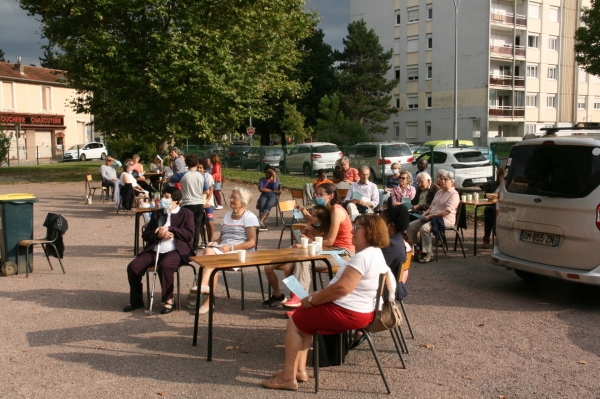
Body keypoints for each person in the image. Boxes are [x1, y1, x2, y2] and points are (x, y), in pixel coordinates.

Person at [261, 214, 395, 391]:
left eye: (358, 228)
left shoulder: (362, 257)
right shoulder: (375, 253)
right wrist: (315, 299)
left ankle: (287, 377)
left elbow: (341, 289)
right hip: (362, 312)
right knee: (305, 318)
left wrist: (312, 300)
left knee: (295, 320)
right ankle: (299, 371)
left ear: (370, 232)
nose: (352, 230)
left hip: (350, 313)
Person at [124, 187, 194, 314]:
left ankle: (169, 300)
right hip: (155, 249)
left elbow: (189, 235)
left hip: (176, 250)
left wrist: (171, 229)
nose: (163, 199)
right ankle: (137, 301)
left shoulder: (186, 213)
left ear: (177, 200)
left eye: (167, 197)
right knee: (133, 267)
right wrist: (158, 235)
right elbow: (145, 235)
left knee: (165, 265)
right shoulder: (158, 213)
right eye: (163, 196)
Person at [289, 183, 355, 316]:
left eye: (320, 194)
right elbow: (315, 219)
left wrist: (308, 243)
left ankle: (300, 299)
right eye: (316, 193)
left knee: (304, 260)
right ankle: (295, 297)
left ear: (330, 196)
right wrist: (304, 211)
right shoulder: (327, 210)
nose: (316, 196)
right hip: (330, 250)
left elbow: (330, 241)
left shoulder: (337, 211)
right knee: (291, 261)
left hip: (343, 253)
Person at [196, 186, 260, 314]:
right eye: (231, 197)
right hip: (223, 250)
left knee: (210, 262)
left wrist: (230, 247)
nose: (230, 200)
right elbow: (222, 237)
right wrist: (215, 242)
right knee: (209, 252)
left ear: (243, 202)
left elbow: (252, 243)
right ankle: (206, 294)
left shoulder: (249, 217)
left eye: (234, 198)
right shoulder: (226, 216)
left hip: (240, 252)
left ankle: (205, 294)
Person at [262, 205, 331, 307]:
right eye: (311, 214)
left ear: (321, 219)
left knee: (287, 269)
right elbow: (297, 241)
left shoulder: (323, 230)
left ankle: (296, 294)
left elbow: (319, 247)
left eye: (314, 216)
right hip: (294, 251)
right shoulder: (310, 224)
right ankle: (279, 296)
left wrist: (307, 241)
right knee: (268, 267)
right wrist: (304, 231)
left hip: (303, 254)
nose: (311, 217)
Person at [406, 170, 460, 263]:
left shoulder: (454, 194)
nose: (442, 181)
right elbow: (431, 207)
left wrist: (431, 216)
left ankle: (428, 254)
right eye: (441, 179)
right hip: (431, 217)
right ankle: (413, 251)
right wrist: (423, 216)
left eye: (445, 179)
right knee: (410, 226)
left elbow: (447, 211)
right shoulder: (439, 192)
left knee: (425, 228)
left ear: (452, 181)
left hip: (445, 219)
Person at [178, 154, 209, 252]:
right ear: (197, 163)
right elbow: (207, 191)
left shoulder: (183, 175)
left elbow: (170, 180)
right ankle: (194, 248)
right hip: (199, 204)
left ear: (186, 164)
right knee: (196, 226)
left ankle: (185, 246)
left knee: (185, 226)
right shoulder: (202, 176)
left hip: (187, 203)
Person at [482, 167, 504, 249]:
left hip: (503, 207)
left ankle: (486, 239)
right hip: (493, 205)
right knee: (489, 209)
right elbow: (486, 197)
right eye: (501, 176)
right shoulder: (493, 185)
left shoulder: (508, 187)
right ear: (498, 176)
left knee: (489, 211)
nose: (502, 178)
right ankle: (495, 230)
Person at [257, 166, 281, 231]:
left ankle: (261, 221)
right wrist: (272, 191)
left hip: (273, 196)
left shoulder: (277, 180)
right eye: (267, 172)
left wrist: (274, 176)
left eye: (270, 173)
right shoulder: (262, 179)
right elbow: (261, 189)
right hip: (264, 195)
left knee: (268, 205)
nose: (268, 174)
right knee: (262, 206)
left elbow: (274, 187)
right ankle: (262, 225)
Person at [199, 160, 215, 247]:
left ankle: (211, 240)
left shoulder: (208, 176)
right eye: (198, 168)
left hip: (208, 203)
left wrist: (207, 200)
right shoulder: (196, 177)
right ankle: (203, 241)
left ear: (204, 169)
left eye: (201, 168)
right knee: (201, 223)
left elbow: (211, 189)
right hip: (199, 203)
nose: (199, 169)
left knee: (210, 222)